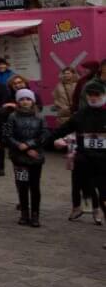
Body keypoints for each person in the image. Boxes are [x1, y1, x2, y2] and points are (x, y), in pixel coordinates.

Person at [50, 79, 106, 239]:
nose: (93, 98)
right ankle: (80, 207)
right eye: (90, 95)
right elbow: (62, 130)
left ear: (103, 95)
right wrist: (43, 142)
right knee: (82, 185)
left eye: (97, 95)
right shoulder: (81, 114)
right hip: (85, 160)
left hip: (104, 162)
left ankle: (97, 211)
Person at [2, 88, 45, 227]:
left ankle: (35, 214)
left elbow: (44, 134)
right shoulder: (12, 116)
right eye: (22, 99)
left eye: (28, 99)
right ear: (17, 101)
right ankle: (24, 213)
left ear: (33, 101)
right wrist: (19, 145)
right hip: (19, 157)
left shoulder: (40, 117)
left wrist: (29, 145)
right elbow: (7, 135)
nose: (25, 102)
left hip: (35, 156)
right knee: (22, 185)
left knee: (35, 186)